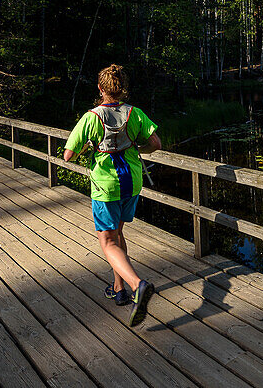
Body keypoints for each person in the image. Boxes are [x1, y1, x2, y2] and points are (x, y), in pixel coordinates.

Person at [63, 64, 161, 327]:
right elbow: (155, 144)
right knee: (118, 235)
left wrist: (89, 147)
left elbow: (68, 154)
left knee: (107, 242)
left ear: (100, 88)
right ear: (121, 88)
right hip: (132, 184)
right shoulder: (135, 114)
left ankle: (137, 285)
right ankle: (119, 290)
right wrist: (135, 147)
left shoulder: (91, 117)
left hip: (106, 186)